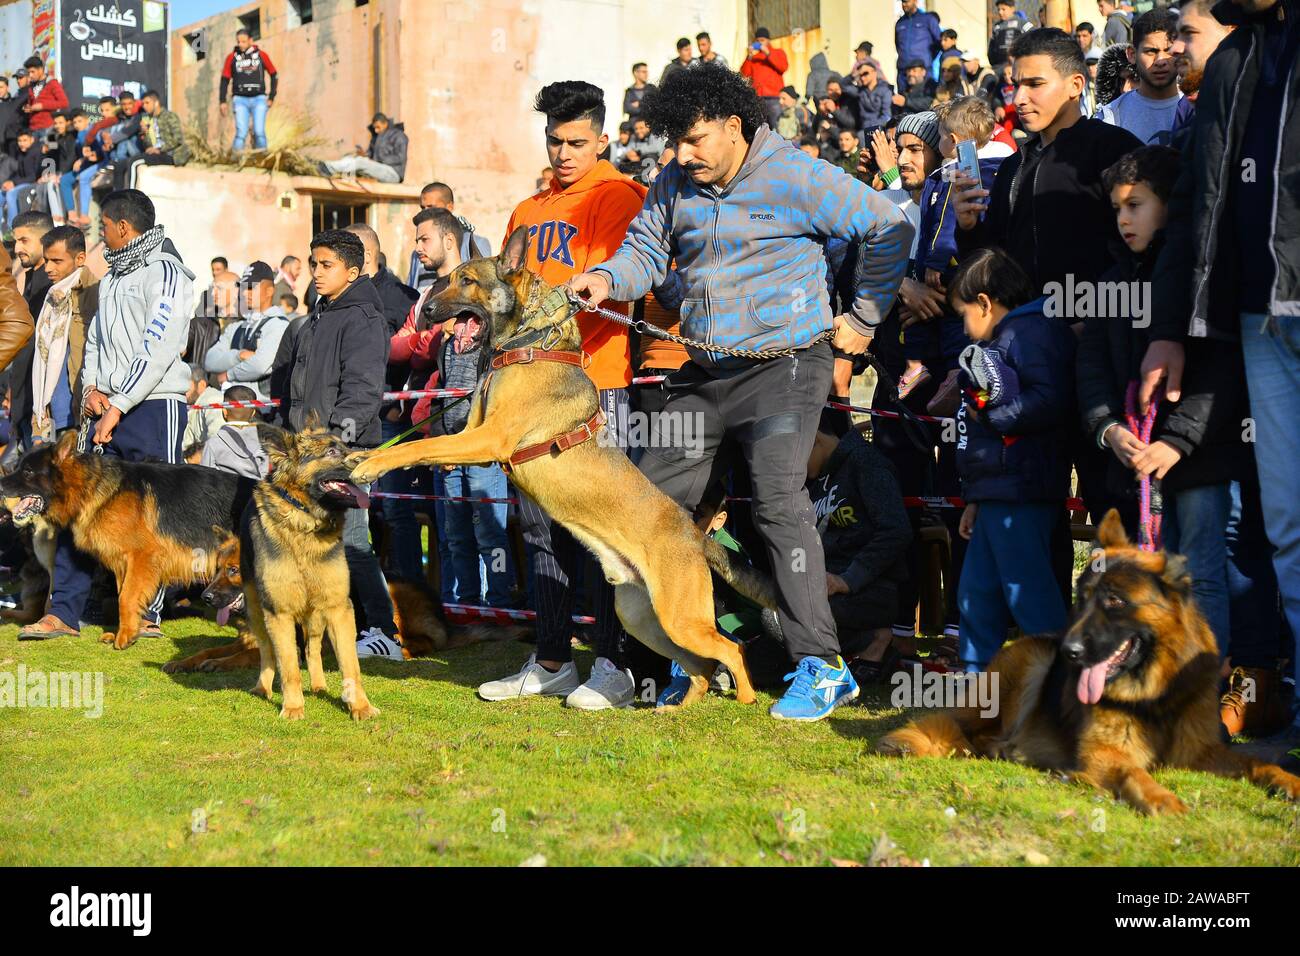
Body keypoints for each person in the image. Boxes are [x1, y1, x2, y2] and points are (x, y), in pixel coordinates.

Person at [568, 64, 914, 720]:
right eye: (675, 140)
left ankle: (823, 664)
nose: (682, 154)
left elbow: (886, 228)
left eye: (695, 139)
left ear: (734, 126)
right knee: (651, 507)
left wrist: (865, 319)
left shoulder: (797, 175)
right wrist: (608, 278)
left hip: (786, 364)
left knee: (779, 502)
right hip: (704, 371)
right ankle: (693, 659)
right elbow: (644, 251)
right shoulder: (674, 180)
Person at [1140, 0, 1300, 730]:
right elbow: (1196, 206)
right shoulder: (1236, 59)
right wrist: (1171, 329)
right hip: (1256, 322)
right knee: (1289, 530)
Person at [475, 79, 648, 711]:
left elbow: (621, 284)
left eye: (577, 141)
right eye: (555, 140)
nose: (563, 152)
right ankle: (551, 659)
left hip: (595, 382)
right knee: (538, 526)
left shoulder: (620, 194)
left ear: (603, 138)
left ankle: (613, 663)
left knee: (596, 530)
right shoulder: (525, 209)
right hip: (527, 392)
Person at [1079, 145, 1246, 652]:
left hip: (1197, 461)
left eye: (1137, 205)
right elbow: (1092, 370)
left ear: (1171, 204)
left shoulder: (1201, 281)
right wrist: (1110, 429)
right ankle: (1161, 681)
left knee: (1197, 573)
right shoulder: (1108, 283)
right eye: (1117, 209)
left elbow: (1221, 369)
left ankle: (1205, 686)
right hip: (1134, 465)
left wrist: (1175, 441)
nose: (1124, 219)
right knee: (1149, 579)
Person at [20, 189, 194, 642]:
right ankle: (64, 611)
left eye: (103, 226)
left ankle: (146, 614)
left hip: (155, 405)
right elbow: (95, 341)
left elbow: (158, 347)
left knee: (154, 514)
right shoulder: (113, 276)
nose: (99, 234)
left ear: (121, 226)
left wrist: (119, 405)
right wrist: (94, 391)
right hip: (106, 408)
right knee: (77, 506)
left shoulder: (168, 273)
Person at [273, 228, 398, 652]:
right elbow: (299, 389)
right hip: (306, 454)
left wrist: (334, 449)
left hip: (343, 454)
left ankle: (383, 632)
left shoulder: (363, 318)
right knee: (309, 542)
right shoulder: (319, 316)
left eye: (326, 265)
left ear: (353, 270)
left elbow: (362, 391)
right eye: (313, 264)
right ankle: (323, 628)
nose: (317, 273)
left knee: (353, 541)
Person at [950, 248, 1075, 671]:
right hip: (996, 493)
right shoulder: (1007, 338)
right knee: (976, 593)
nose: (966, 329)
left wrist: (993, 416)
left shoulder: (1031, 333)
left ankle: (1061, 691)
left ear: (985, 302)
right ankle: (975, 692)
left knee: (1030, 595)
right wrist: (976, 499)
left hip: (1022, 492)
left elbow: (1051, 398)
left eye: (964, 314)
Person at [899, 100, 1009, 397]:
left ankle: (952, 372)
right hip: (941, 270)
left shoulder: (959, 173)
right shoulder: (956, 171)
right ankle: (919, 366)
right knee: (923, 320)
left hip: (949, 269)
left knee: (952, 322)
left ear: (953, 140)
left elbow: (949, 222)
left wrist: (935, 260)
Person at [806, 415, 912, 685]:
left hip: (871, 592)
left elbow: (896, 532)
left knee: (783, 619)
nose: (792, 465)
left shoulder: (867, 463)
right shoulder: (818, 477)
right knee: (766, 645)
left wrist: (848, 580)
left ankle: (875, 642)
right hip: (826, 586)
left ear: (814, 439)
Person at [30, 224, 97, 444]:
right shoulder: (53, 296)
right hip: (53, 411)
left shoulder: (94, 293)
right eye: (47, 260)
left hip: (80, 410)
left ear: (79, 259)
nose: (48, 268)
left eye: (57, 261)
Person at [1096, 10, 1187, 145]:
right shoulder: (1110, 117)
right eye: (1151, 51)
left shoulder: (1197, 109)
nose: (1160, 60)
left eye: (1168, 50)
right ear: (1132, 55)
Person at [204, 260, 290, 402]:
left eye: (252, 287)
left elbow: (261, 365)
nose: (245, 292)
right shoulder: (238, 326)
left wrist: (229, 375)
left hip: (263, 411)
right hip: (233, 408)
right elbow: (210, 360)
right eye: (244, 287)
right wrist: (239, 355)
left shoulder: (278, 325)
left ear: (269, 290)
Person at [7, 210, 54, 450]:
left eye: (24, 240)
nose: (16, 248)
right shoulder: (31, 280)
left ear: (44, 240)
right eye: (16, 241)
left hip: (43, 411)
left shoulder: (53, 287)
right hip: (23, 406)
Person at [1168, 0, 1234, 139]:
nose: (1174, 49)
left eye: (1189, 33)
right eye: (1176, 37)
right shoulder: (1187, 131)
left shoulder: (1270, 112)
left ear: (1231, 30)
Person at [405, 182, 491, 288]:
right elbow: (411, 286)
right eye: (423, 208)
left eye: (431, 207)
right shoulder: (419, 250)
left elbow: (482, 286)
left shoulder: (475, 243)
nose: (425, 212)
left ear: (449, 207)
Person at [113, 90, 190, 190]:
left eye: (147, 103)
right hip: (155, 154)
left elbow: (178, 139)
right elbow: (148, 144)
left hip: (170, 154)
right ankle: (116, 199)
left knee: (134, 162)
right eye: (143, 103)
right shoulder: (148, 119)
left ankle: (132, 197)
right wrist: (144, 133)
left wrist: (159, 149)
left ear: (156, 102)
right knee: (120, 165)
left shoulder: (169, 116)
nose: (144, 106)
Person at [220, 28, 278, 151]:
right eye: (238, 42)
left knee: (259, 131)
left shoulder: (261, 55)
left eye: (243, 41)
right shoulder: (232, 57)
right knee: (241, 132)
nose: (240, 44)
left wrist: (272, 96)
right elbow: (224, 80)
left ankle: (262, 159)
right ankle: (235, 161)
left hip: (259, 99)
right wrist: (222, 101)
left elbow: (274, 74)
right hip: (240, 100)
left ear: (251, 40)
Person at [200, 384, 267, 479]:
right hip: (253, 492)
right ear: (253, 413)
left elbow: (205, 476)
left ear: (224, 411)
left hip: (222, 492)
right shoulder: (262, 444)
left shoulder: (213, 443)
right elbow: (264, 476)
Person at [320, 113, 408, 183]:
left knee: (361, 162)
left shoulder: (399, 135)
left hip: (393, 173)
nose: (376, 130)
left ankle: (330, 169)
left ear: (385, 123)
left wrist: (378, 160)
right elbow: (371, 155)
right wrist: (364, 154)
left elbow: (400, 157)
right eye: (374, 128)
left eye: (378, 127)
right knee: (352, 158)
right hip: (379, 169)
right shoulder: (377, 137)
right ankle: (325, 165)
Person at [740, 27, 789, 130]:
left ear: (768, 40)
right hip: (758, 98)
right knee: (760, 129)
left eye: (762, 40)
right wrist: (749, 56)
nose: (760, 43)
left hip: (774, 98)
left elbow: (783, 67)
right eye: (757, 41)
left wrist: (768, 54)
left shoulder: (778, 52)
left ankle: (780, 146)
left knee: (778, 127)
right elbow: (744, 74)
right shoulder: (754, 58)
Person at [896, 0, 943, 91]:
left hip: (922, 71)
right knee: (903, 101)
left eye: (907, 1)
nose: (904, 4)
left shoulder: (928, 19)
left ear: (915, 1)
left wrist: (927, 59)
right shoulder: (900, 23)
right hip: (903, 72)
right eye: (902, 2)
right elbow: (898, 45)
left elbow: (939, 43)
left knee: (924, 101)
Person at [2, 129, 40, 234]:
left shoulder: (37, 152)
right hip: (21, 182)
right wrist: (10, 181)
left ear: (32, 139)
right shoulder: (21, 153)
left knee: (11, 194)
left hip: (33, 183)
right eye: (19, 141)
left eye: (25, 140)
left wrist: (14, 183)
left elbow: (34, 176)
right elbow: (18, 174)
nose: (21, 143)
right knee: (1, 195)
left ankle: (12, 229)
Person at [17, 56, 67, 134]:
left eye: (32, 72)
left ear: (40, 69)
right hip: (32, 129)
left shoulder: (52, 83)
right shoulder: (30, 87)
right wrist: (27, 108)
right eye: (28, 72)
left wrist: (42, 106)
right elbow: (30, 105)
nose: (30, 75)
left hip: (48, 128)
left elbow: (64, 102)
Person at [183, 363, 225, 448]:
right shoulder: (190, 404)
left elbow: (217, 439)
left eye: (185, 385)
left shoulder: (213, 400)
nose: (181, 389)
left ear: (201, 385)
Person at [988, 0, 1031, 71]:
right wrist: (994, 63)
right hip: (998, 67)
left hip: (1017, 66)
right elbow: (991, 47)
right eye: (998, 9)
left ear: (1012, 9)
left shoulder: (1022, 23)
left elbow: (1033, 39)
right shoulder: (997, 26)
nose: (1000, 12)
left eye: (1003, 9)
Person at [853, 61, 893, 131]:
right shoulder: (860, 90)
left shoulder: (885, 90)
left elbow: (887, 116)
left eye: (865, 73)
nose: (862, 78)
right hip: (863, 129)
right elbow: (844, 86)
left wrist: (870, 127)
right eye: (860, 75)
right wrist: (852, 75)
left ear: (874, 73)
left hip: (880, 129)